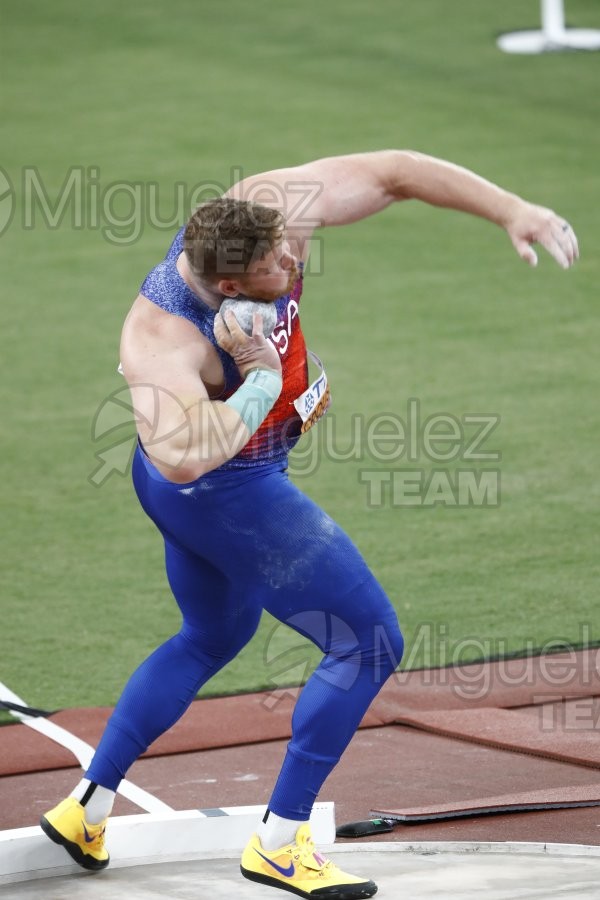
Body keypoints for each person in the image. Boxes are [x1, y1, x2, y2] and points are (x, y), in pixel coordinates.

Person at [40, 150, 578, 899]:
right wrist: (262, 379)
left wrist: (511, 208)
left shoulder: (261, 212)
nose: (296, 257)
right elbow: (184, 459)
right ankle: (280, 841)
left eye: (290, 245)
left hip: (234, 480)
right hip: (221, 492)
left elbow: (392, 171)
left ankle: (86, 809)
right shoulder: (162, 339)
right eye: (278, 265)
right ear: (229, 287)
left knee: (212, 635)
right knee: (367, 641)